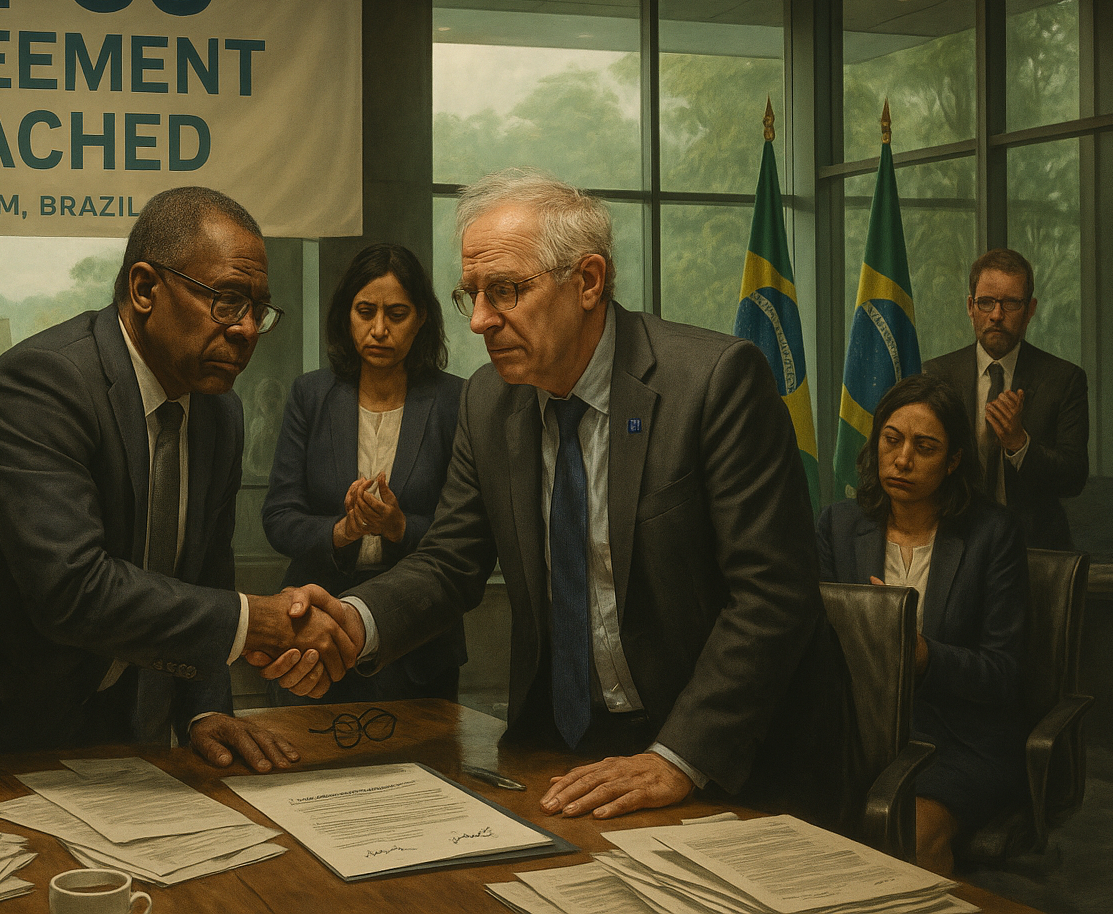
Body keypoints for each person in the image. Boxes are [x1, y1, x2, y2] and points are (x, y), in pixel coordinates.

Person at [256, 169, 852, 827]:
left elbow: (773, 595)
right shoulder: (489, 400)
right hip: (569, 749)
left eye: (505, 291)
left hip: (726, 757)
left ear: (588, 282)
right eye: (472, 295)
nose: (479, 320)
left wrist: (678, 756)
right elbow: (450, 562)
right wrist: (353, 621)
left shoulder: (714, 382)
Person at [0, 187, 359, 768]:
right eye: (226, 301)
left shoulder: (220, 412)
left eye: (257, 310)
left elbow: (205, 572)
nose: (245, 330)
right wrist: (257, 621)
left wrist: (204, 710)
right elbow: (73, 589)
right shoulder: (42, 384)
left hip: (99, 721)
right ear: (145, 289)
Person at [816, 374, 1027, 873]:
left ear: (953, 461)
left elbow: (1006, 673)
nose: (902, 459)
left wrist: (925, 656)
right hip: (857, 732)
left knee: (909, 838)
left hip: (958, 740)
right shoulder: (837, 526)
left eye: (925, 447)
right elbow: (812, 642)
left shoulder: (992, 534)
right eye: (891, 440)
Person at [262, 243, 466, 705]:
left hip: (418, 637)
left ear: (421, 319)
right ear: (345, 315)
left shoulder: (455, 401)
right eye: (365, 311)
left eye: (397, 314)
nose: (379, 330)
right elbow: (278, 517)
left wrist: (399, 527)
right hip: (315, 630)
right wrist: (342, 531)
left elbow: (467, 534)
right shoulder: (311, 395)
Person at [922, 247, 1088, 549]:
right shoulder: (936, 376)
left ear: (1030, 309)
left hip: (1034, 546)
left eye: (1011, 303)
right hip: (952, 540)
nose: (997, 315)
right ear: (971, 307)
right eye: (986, 302)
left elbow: (1073, 478)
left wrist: (1019, 444)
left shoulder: (1064, 380)